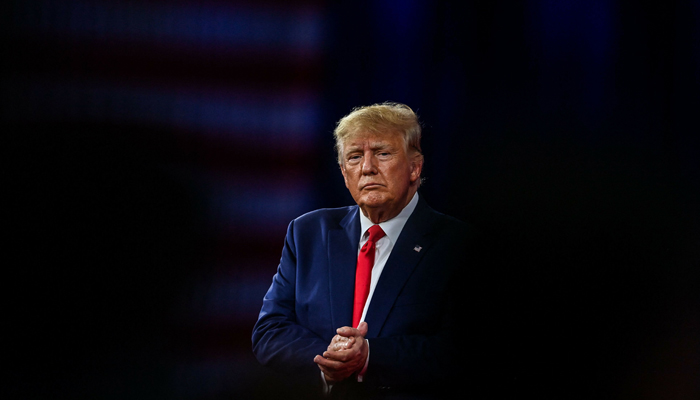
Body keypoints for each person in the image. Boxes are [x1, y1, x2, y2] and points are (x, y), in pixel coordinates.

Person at [252, 102, 479, 398]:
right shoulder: (308, 232)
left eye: (383, 153)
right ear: (345, 174)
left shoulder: (458, 245)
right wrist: (329, 359)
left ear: (414, 167)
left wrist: (370, 354)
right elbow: (270, 330)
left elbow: (466, 349)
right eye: (355, 157)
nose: (367, 167)